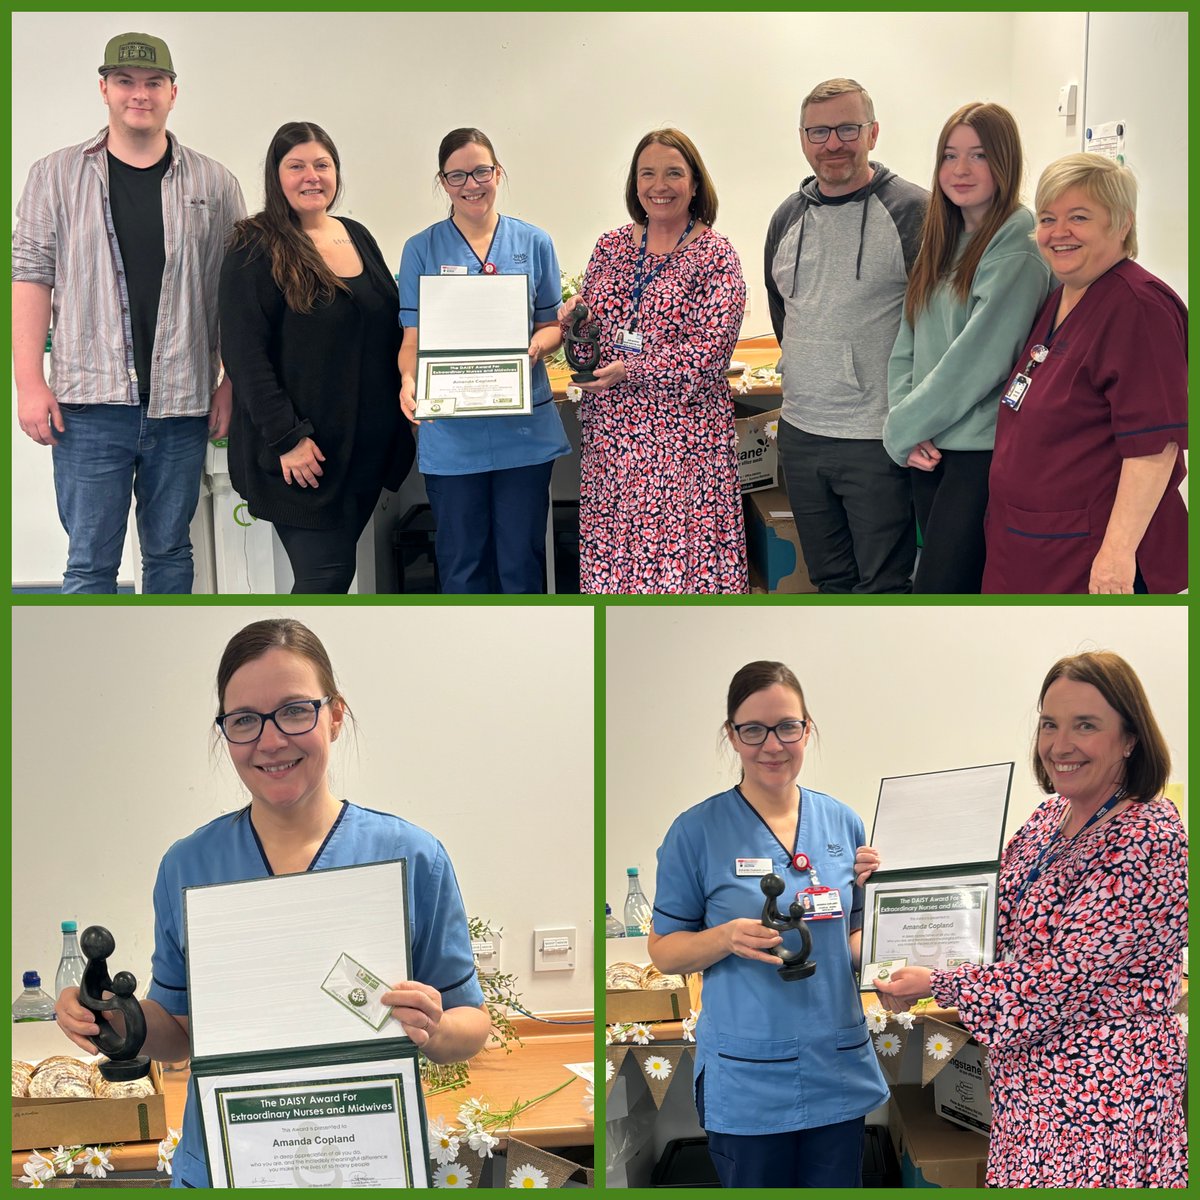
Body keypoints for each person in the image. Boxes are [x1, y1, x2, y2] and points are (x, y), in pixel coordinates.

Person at [54, 617, 491, 1187]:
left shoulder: (412, 856)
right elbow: (180, 1029)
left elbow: (472, 1022)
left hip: (367, 1161)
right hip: (228, 1159)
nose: (270, 739)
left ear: (335, 715)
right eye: (244, 720)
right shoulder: (188, 866)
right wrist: (111, 1014)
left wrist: (435, 1028)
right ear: (225, 733)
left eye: (294, 710)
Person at [876, 651, 1186, 1186]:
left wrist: (938, 981)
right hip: (1030, 1092)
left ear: (1130, 737)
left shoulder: (1149, 836)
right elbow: (993, 915)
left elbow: (1059, 979)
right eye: (1049, 723)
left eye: (1085, 725)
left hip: (1103, 1098)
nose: (1059, 745)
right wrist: (894, 881)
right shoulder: (1051, 816)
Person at [12, 32, 245, 593]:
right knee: (90, 563)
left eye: (152, 83)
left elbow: (238, 293)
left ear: (172, 92)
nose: (139, 94)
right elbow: (29, 278)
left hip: (182, 406)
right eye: (125, 82)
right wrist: (28, 384)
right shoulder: (55, 175)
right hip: (88, 408)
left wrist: (230, 382)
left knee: (170, 555)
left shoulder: (214, 183)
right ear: (104, 89)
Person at [649, 661, 887, 1187]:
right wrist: (724, 938)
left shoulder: (843, 822)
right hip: (747, 1073)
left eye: (787, 727)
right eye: (752, 730)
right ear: (731, 736)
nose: (772, 745)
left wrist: (895, 916)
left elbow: (851, 941)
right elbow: (664, 951)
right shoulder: (696, 832)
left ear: (808, 728)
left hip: (834, 1063)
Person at [219, 122, 414, 594]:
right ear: (276, 175)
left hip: (363, 454)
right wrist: (288, 438)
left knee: (339, 573)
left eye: (322, 165)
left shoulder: (356, 234)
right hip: (305, 456)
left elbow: (390, 327)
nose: (312, 176)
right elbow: (245, 356)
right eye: (297, 166)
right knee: (323, 578)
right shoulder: (254, 244)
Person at [982, 154, 1187, 594]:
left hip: (1088, 557)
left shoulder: (1139, 307)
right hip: (1027, 544)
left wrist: (1115, 557)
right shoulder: (1065, 294)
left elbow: (1155, 446)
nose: (1059, 233)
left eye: (1079, 217)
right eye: (1048, 218)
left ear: (1122, 223)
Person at [559, 129, 748, 594]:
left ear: (696, 183)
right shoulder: (610, 246)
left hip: (683, 445)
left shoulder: (716, 256)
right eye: (648, 173)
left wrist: (632, 369)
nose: (658, 185)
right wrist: (576, 326)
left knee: (681, 577)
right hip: (612, 445)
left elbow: (709, 353)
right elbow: (591, 349)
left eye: (673, 173)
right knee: (616, 574)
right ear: (634, 182)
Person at [765, 78, 928, 594]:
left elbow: (937, 326)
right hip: (801, 431)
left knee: (882, 585)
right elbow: (782, 314)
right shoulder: (788, 216)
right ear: (802, 138)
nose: (832, 143)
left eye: (847, 128)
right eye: (819, 131)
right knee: (829, 581)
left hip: (875, 438)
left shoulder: (914, 213)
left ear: (873, 133)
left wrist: (918, 419)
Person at [883, 103, 1050, 593]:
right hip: (928, 449)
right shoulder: (945, 232)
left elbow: (977, 361)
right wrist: (906, 425)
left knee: (942, 590)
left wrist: (902, 428)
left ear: (1005, 162)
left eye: (978, 155)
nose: (960, 169)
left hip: (978, 454)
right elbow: (907, 341)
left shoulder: (1018, 239)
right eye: (950, 155)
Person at [397, 128, 570, 594]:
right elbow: (411, 338)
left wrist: (539, 346)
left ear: (498, 173)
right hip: (454, 434)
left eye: (481, 171)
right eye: (457, 175)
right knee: (461, 565)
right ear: (442, 181)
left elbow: (551, 323)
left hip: (523, 431)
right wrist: (407, 380)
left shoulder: (534, 242)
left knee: (520, 563)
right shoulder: (421, 249)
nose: (471, 184)